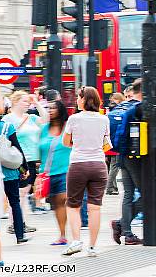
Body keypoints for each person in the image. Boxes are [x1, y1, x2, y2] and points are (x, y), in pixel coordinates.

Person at [62, 86, 110, 257]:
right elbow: (106, 144)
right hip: (98, 165)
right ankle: (92, 247)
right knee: (95, 208)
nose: (76, 100)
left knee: (73, 205)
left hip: (78, 165)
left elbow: (65, 142)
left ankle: (76, 241)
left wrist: (79, 144)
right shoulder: (104, 119)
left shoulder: (74, 119)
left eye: (78, 97)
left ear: (84, 100)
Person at [3, 91, 48, 219]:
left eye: (28, 102)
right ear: (15, 102)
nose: (27, 104)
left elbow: (45, 119)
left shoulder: (30, 117)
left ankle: (20, 222)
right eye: (24, 101)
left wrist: (37, 103)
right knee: (20, 192)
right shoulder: (8, 119)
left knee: (24, 191)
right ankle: (17, 222)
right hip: (18, 160)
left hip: (32, 160)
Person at [0, 106, 30, 245]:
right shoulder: (8, 127)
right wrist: (23, 169)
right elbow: (17, 149)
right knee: (15, 203)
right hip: (10, 173)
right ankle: (20, 235)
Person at [110, 79, 143, 246]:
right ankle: (122, 225)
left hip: (122, 155)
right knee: (148, 194)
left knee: (129, 194)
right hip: (136, 158)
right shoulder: (138, 108)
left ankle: (127, 233)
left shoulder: (123, 106)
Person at [38, 99, 71, 246]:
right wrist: (39, 172)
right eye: (48, 108)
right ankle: (62, 234)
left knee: (63, 200)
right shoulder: (44, 129)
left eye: (53, 108)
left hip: (66, 171)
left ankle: (68, 232)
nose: (50, 111)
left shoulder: (68, 127)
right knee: (57, 204)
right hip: (48, 173)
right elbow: (39, 151)